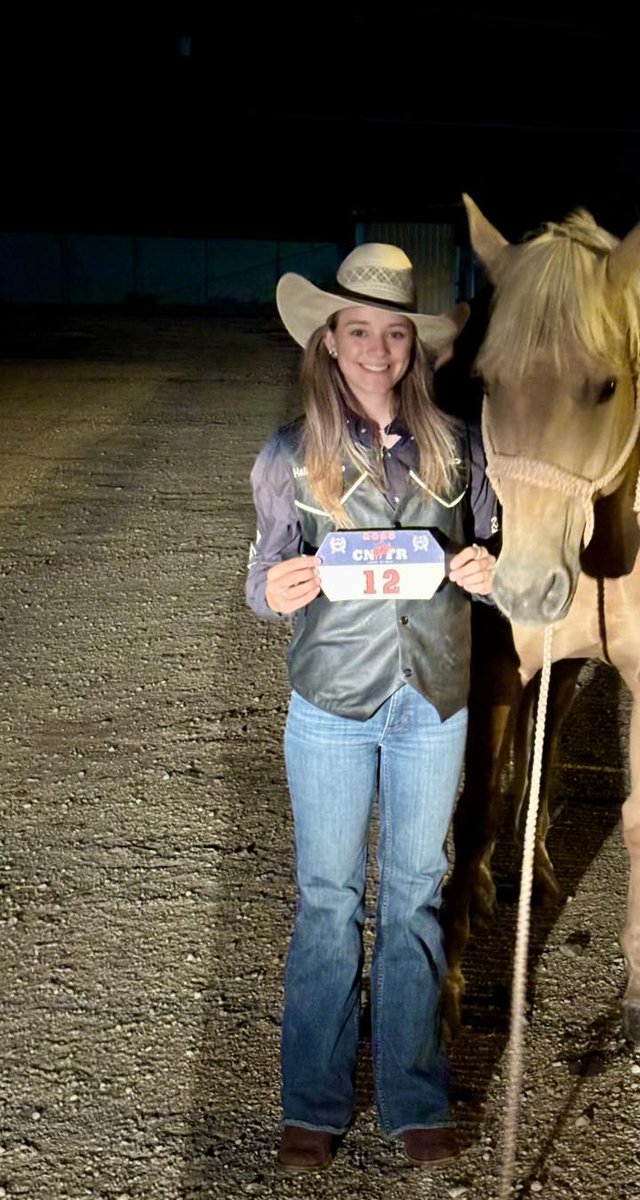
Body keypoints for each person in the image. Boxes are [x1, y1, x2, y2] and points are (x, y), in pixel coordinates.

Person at [245, 243, 498, 1172]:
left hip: (432, 699)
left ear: (417, 347)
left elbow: (508, 557)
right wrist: (276, 590)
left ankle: (413, 1093)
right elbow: (256, 578)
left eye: (396, 333)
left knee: (416, 899)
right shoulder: (290, 455)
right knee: (326, 900)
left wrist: (491, 568)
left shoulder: (464, 447)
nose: (379, 349)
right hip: (331, 705)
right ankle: (312, 1098)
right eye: (360, 331)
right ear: (329, 341)